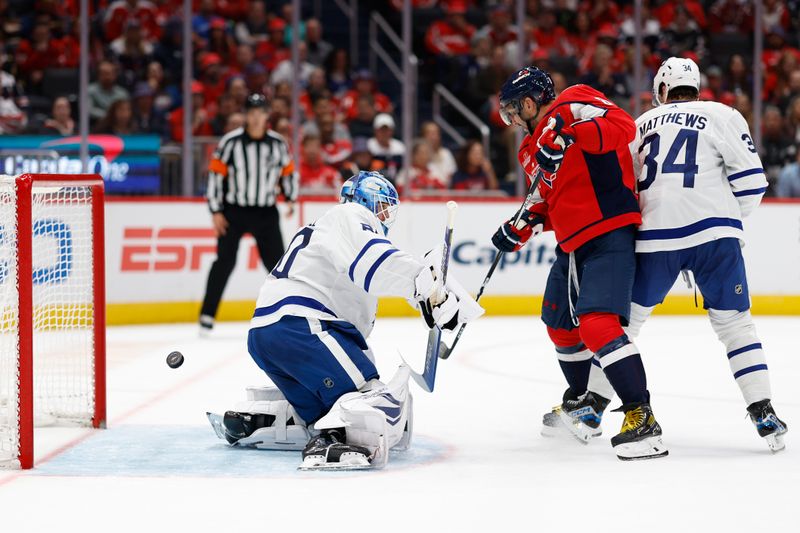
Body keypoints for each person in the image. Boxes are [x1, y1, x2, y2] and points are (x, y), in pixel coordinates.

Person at [210, 171, 483, 469]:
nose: (385, 215)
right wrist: (427, 285)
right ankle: (331, 441)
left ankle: (259, 420)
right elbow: (375, 262)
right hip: (303, 328)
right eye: (383, 206)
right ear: (366, 199)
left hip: (269, 333)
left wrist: (424, 297)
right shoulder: (350, 214)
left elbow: (368, 280)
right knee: (374, 401)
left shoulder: (327, 228)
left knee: (324, 408)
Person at [607, 57, 786, 450]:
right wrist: (724, 221)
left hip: (654, 238)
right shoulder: (721, 114)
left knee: (623, 326)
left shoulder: (636, 126)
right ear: (697, 87)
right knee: (736, 325)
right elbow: (754, 183)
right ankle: (763, 412)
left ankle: (589, 407)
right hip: (715, 237)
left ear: (660, 90)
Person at [491, 66, 667, 460]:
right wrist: (520, 227)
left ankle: (643, 417)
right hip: (571, 245)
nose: (512, 120)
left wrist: (570, 135)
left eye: (511, 111)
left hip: (609, 230)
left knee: (597, 324)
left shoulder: (574, 103)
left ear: (529, 101)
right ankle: (584, 404)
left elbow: (622, 126)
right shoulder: (528, 150)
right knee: (558, 324)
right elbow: (545, 203)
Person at [200, 93, 298, 334]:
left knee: (278, 266)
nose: (255, 118)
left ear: (267, 115)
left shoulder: (277, 144)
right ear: (246, 115)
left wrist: (290, 198)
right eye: (251, 113)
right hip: (234, 211)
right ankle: (207, 315)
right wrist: (216, 210)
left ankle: (290, 312)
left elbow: (288, 172)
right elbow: (215, 175)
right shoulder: (230, 142)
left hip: (266, 211)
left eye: (260, 113)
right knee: (224, 261)